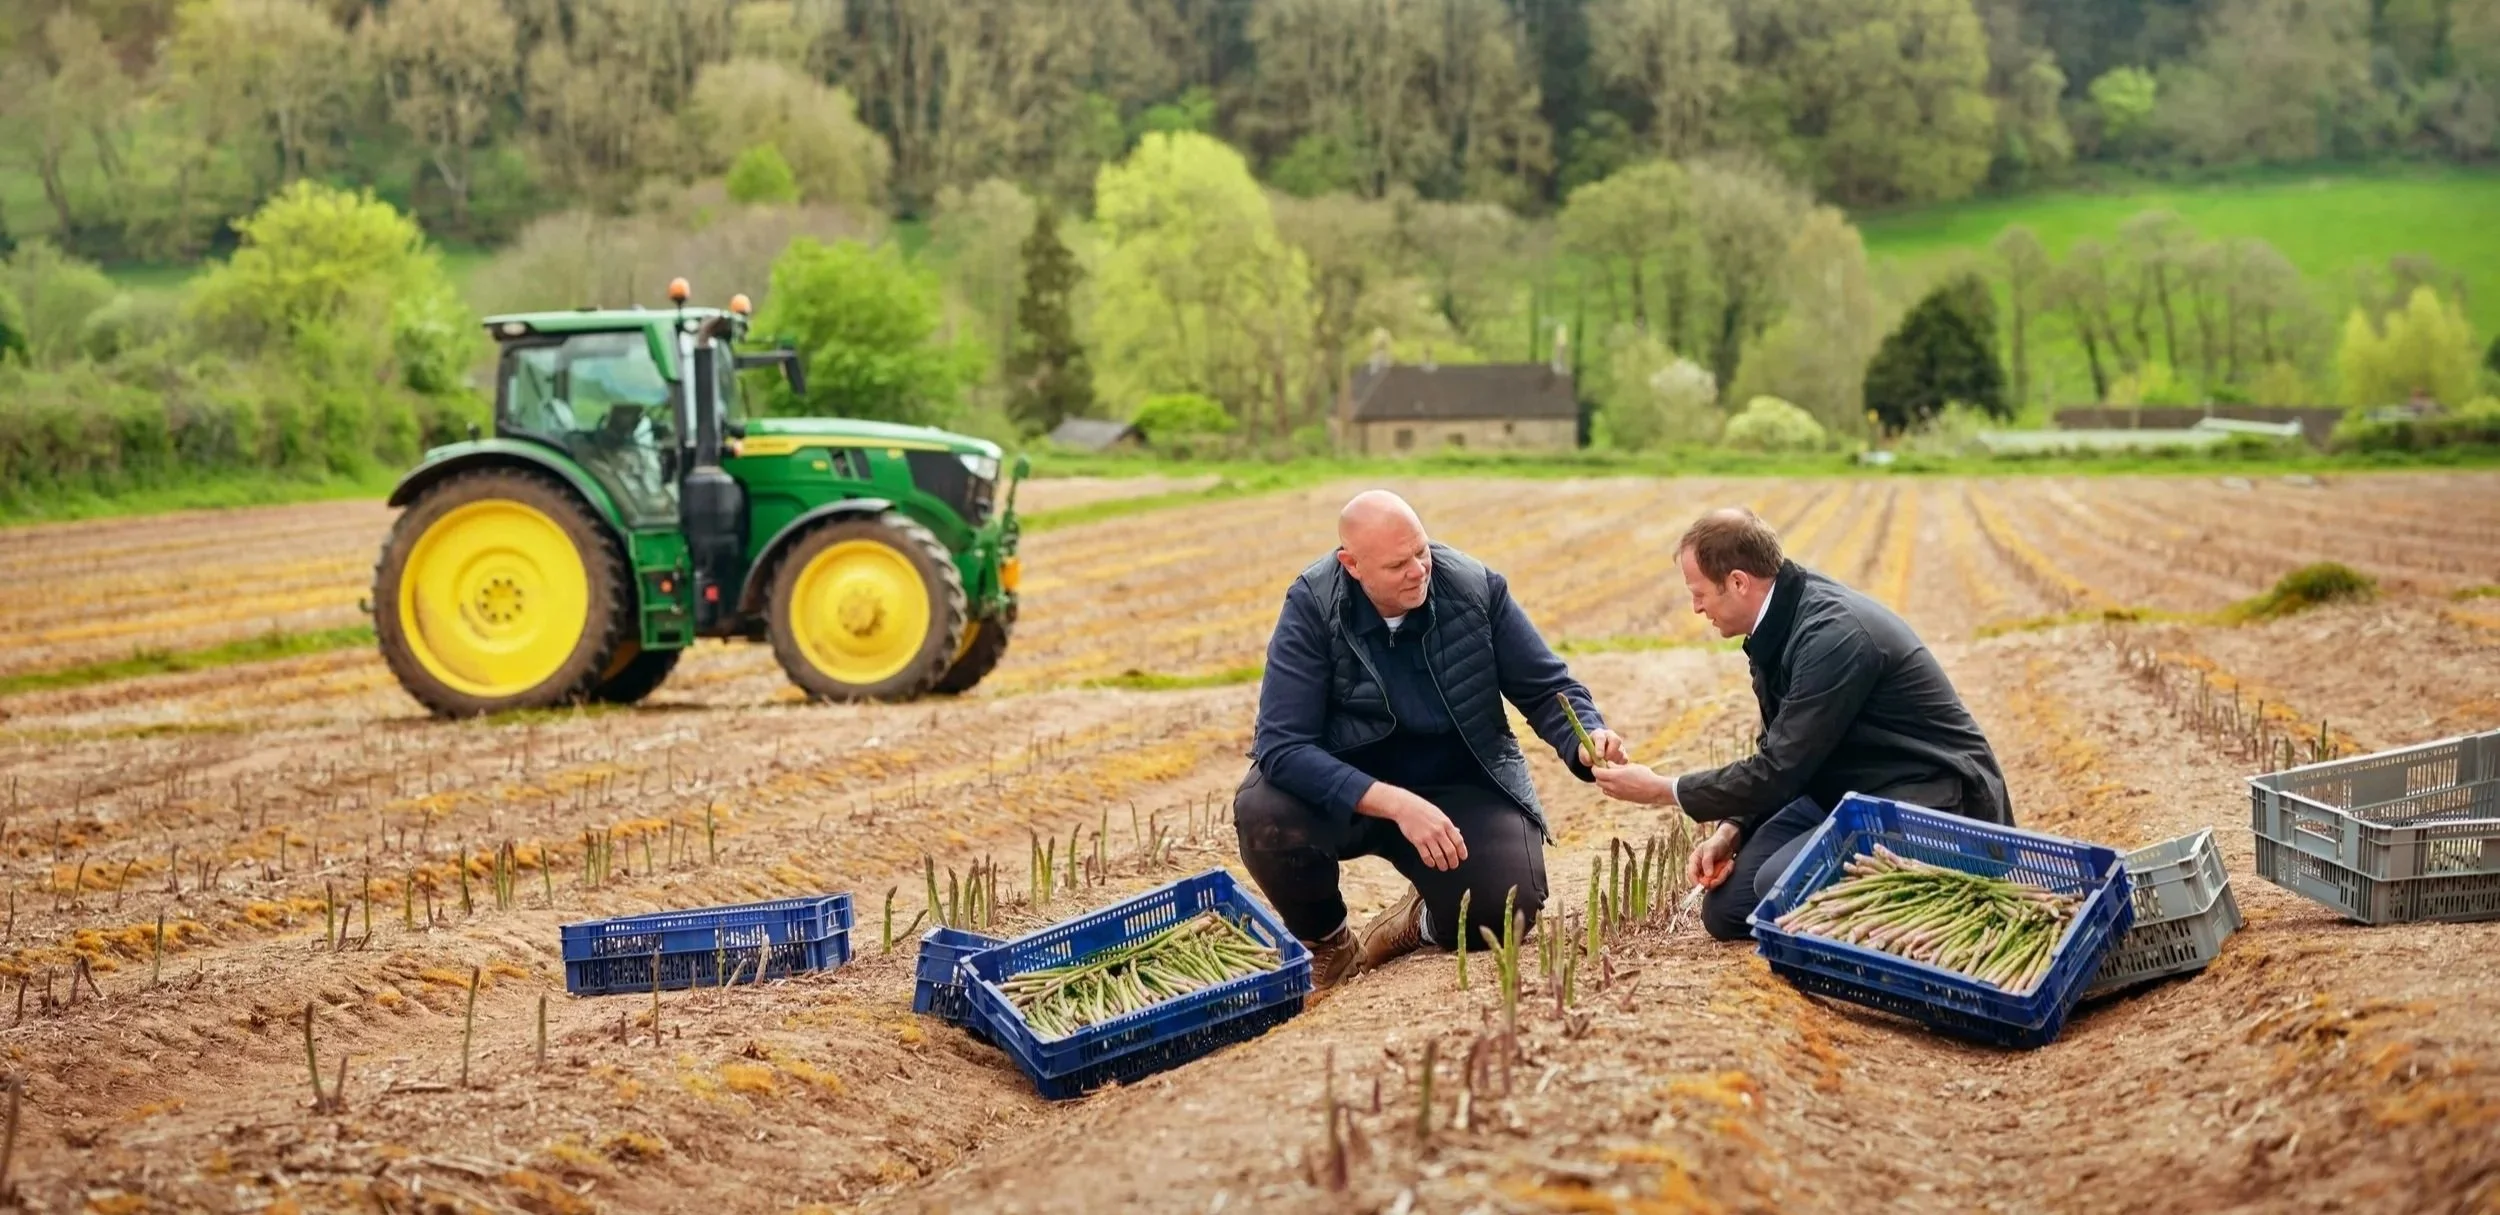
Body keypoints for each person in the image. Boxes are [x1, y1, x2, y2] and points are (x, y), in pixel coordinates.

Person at [1235, 490, 1627, 986]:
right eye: (1398, 564)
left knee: (1505, 912)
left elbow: (1547, 687)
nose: (1419, 570)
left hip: (1456, 779)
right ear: (1351, 565)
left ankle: (1412, 923)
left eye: (1421, 552)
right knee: (1266, 814)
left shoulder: (1475, 589)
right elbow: (1282, 746)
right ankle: (1328, 940)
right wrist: (1395, 803)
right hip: (1351, 787)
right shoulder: (1313, 605)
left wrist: (1586, 737)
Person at [1592, 507, 2012, 941]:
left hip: (1930, 796)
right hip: (1848, 787)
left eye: (1699, 593)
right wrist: (1732, 828)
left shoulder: (1833, 636)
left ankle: (1942, 911)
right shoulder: (1777, 626)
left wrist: (1663, 790)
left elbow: (1780, 771)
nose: (1696, 607)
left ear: (1737, 582)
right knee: (1729, 909)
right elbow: (1779, 747)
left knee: (1777, 883)